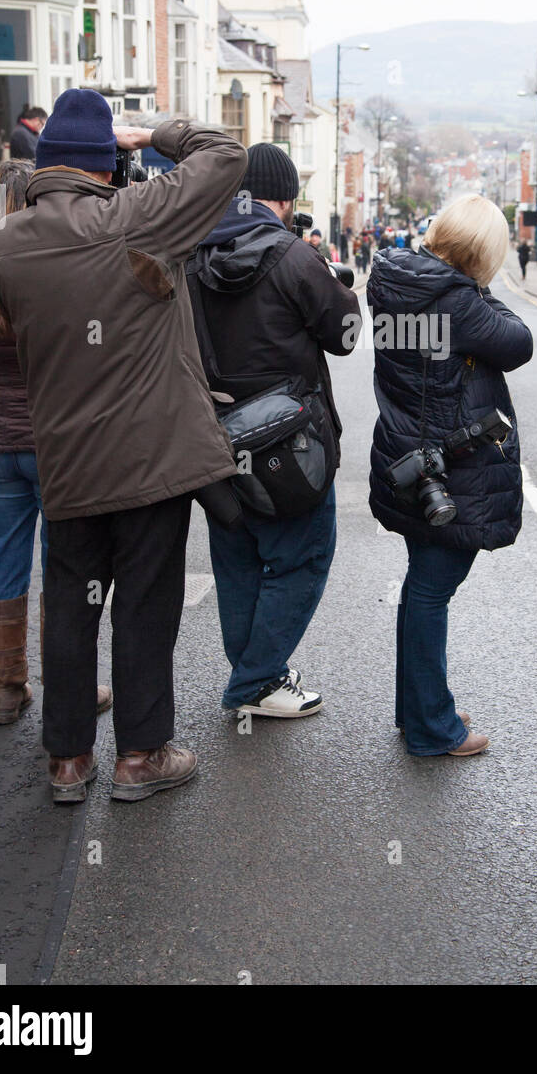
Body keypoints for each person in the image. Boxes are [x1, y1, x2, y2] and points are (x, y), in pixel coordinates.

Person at [0, 89, 247, 804]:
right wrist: (148, 136)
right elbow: (226, 154)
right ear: (108, 165)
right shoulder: (137, 217)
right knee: (144, 605)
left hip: (66, 461)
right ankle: (140, 756)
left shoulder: (5, 244)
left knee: (71, 605)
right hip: (151, 462)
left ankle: (67, 763)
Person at [186, 143, 360, 718]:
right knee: (302, 557)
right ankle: (255, 685)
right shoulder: (293, 257)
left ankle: (256, 676)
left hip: (212, 441)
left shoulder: (188, 254)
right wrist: (334, 281)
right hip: (291, 443)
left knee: (236, 560)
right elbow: (347, 333)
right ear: (285, 198)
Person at [368, 193, 533, 757]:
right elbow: (519, 343)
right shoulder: (460, 304)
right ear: (482, 254)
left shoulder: (395, 281)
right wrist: (481, 292)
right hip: (449, 466)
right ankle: (434, 729)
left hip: (409, 456)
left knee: (422, 587)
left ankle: (417, 709)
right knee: (432, 591)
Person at [0, 161, 112, 725]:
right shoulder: (41, 267)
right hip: (49, 438)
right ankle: (67, 684)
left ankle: (6, 689)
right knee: (63, 566)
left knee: (3, 555)